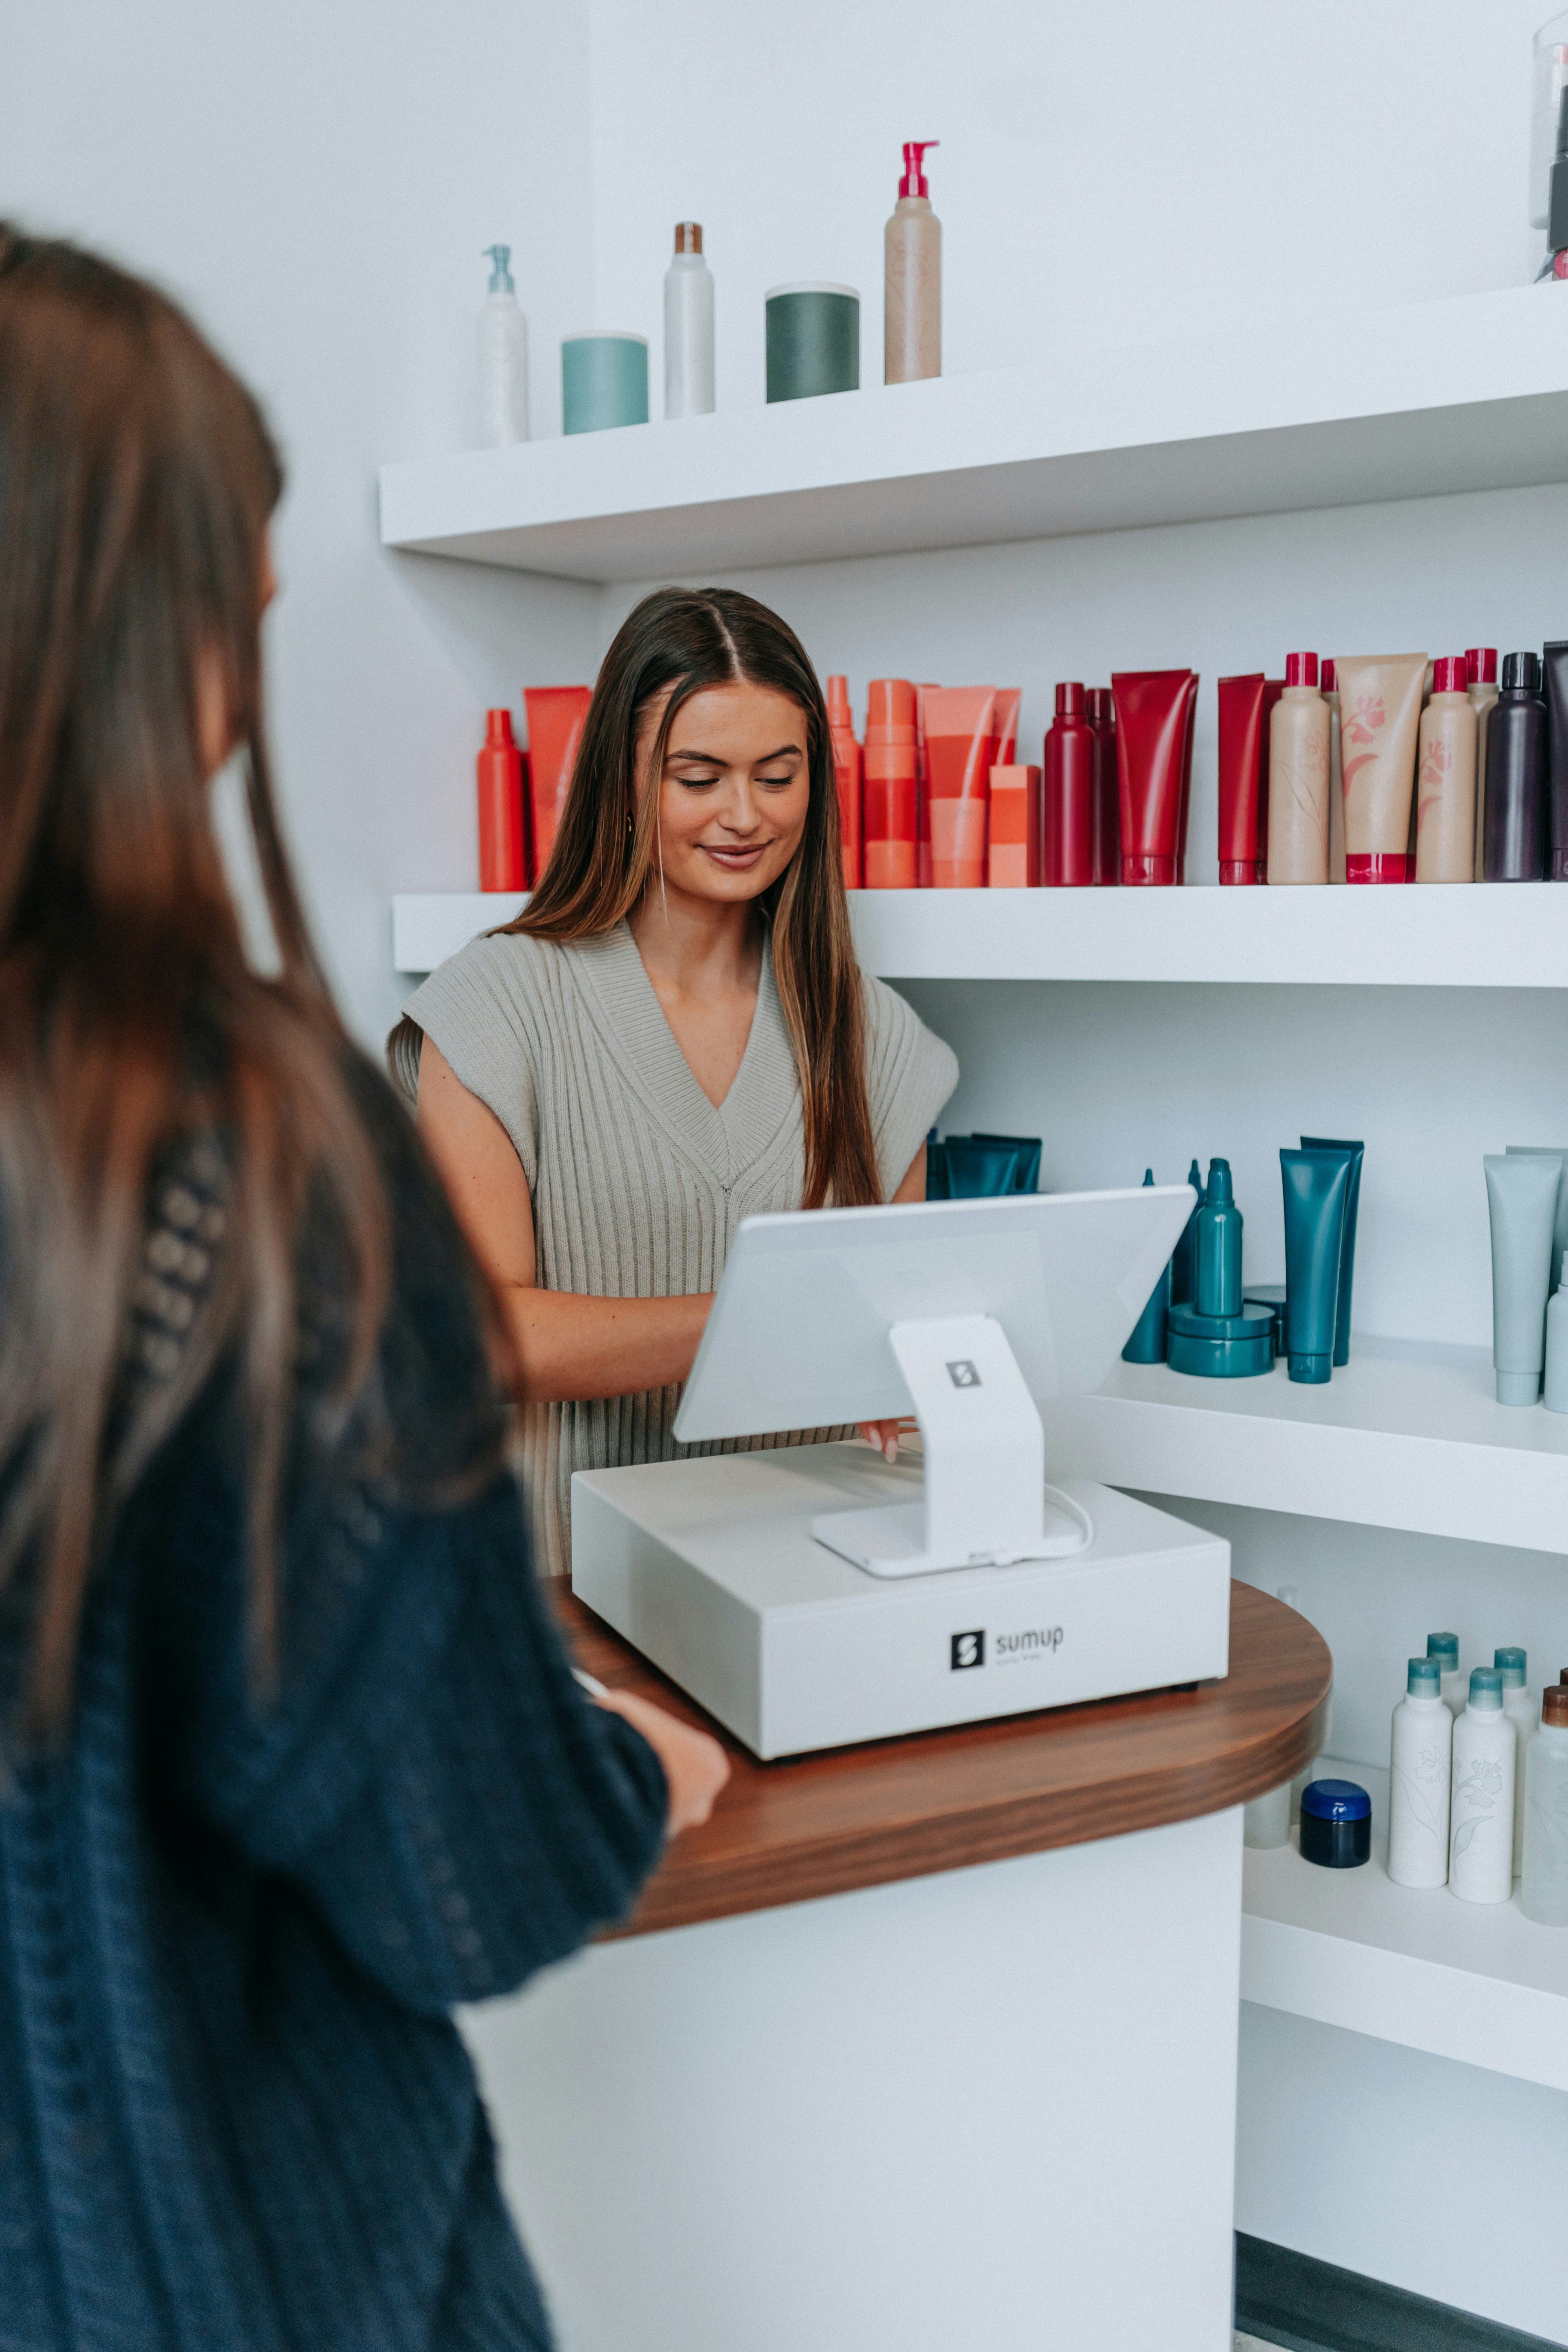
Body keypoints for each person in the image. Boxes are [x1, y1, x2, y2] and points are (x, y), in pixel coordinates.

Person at [0, 227, 727, 2352]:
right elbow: (463, 1871)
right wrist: (621, 1771)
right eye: (240, 590)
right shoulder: (249, 1143)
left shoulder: (831, 1014)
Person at [391, 587, 958, 1573]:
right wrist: (771, 1312)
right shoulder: (496, 1005)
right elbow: (486, 1337)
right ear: (623, 778)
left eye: (777, 777)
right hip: (559, 1587)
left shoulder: (874, 1036)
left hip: (803, 1576)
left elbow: (888, 1328)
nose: (743, 815)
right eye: (698, 777)